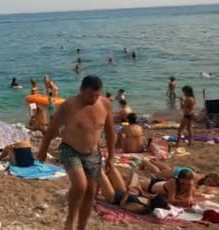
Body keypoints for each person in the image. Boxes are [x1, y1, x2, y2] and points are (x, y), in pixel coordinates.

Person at [37, 75, 115, 230]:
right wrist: (43, 151)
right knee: (80, 185)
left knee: (91, 191)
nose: (93, 99)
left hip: (93, 153)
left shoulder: (104, 104)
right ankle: (70, 219)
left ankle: (82, 226)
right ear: (81, 91)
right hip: (70, 150)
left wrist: (112, 157)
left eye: (96, 95)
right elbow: (51, 129)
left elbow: (110, 131)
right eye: (90, 95)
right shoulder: (69, 106)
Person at [98, 167, 169, 214]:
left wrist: (127, 192)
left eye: (155, 195)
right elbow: (139, 195)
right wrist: (138, 189)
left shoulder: (142, 207)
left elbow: (122, 205)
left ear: (155, 200)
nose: (153, 194)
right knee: (111, 168)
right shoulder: (148, 200)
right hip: (122, 192)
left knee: (99, 172)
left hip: (113, 198)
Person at [138, 160, 219, 189]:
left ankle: (152, 161)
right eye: (209, 182)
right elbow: (191, 186)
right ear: (208, 177)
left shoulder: (202, 178)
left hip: (182, 170)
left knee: (166, 169)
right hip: (177, 172)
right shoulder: (198, 180)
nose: (209, 184)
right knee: (157, 174)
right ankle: (145, 162)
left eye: (211, 184)